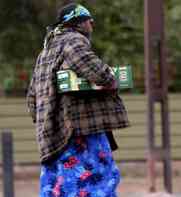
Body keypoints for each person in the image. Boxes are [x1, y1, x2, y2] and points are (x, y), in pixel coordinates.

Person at [26, 3, 129, 197]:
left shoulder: (45, 52)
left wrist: (50, 118)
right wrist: (113, 78)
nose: (92, 23)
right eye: (88, 19)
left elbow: (32, 99)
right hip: (79, 130)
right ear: (78, 22)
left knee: (58, 184)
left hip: (52, 135)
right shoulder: (73, 40)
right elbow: (98, 73)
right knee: (96, 179)